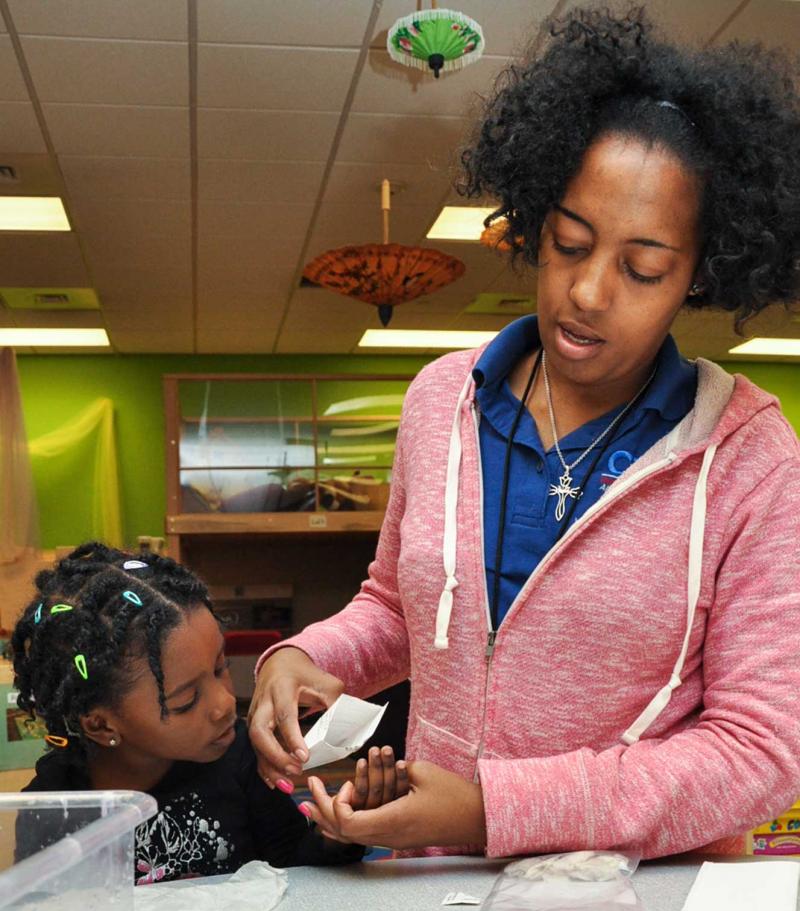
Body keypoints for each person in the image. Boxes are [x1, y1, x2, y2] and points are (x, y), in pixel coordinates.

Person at [248, 7, 800, 859]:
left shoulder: (750, 460)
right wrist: (301, 658)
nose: (587, 292)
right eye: (568, 243)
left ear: (700, 275)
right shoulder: (443, 399)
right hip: (441, 891)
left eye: (643, 268)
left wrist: (489, 811)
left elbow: (761, 751)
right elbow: (401, 607)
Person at [12, 542, 407, 883]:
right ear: (100, 724)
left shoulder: (238, 761)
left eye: (221, 668)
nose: (223, 705)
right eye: (186, 701)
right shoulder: (54, 806)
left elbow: (296, 864)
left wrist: (338, 833)